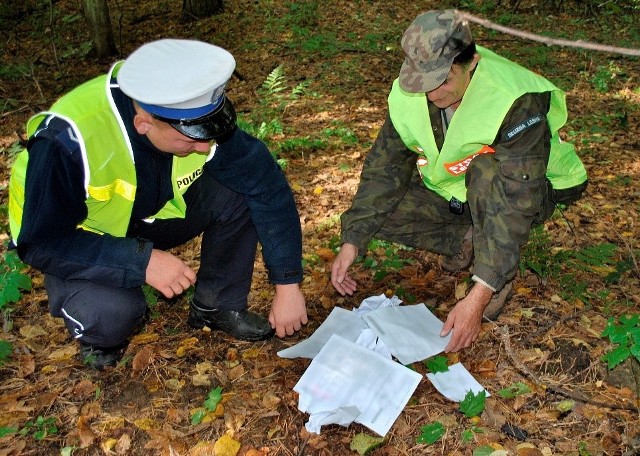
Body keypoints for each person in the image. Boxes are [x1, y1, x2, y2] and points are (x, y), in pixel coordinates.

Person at [8, 39, 308, 370]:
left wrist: (287, 284)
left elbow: (267, 186)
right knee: (111, 312)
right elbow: (42, 243)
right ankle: (99, 339)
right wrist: (142, 262)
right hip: (80, 241)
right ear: (144, 124)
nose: (204, 146)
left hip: (149, 215)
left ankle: (216, 305)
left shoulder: (191, 113)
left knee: (238, 187)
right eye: (192, 139)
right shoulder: (67, 141)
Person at [330, 10, 587, 353]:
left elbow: (516, 199)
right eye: (424, 82)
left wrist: (480, 294)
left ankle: (497, 276)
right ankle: (468, 238)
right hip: (460, 187)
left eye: (444, 79)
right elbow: (384, 169)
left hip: (532, 186)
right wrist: (352, 242)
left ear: (472, 63)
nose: (432, 92)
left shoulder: (514, 97)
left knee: (487, 171)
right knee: (381, 212)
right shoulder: (408, 95)